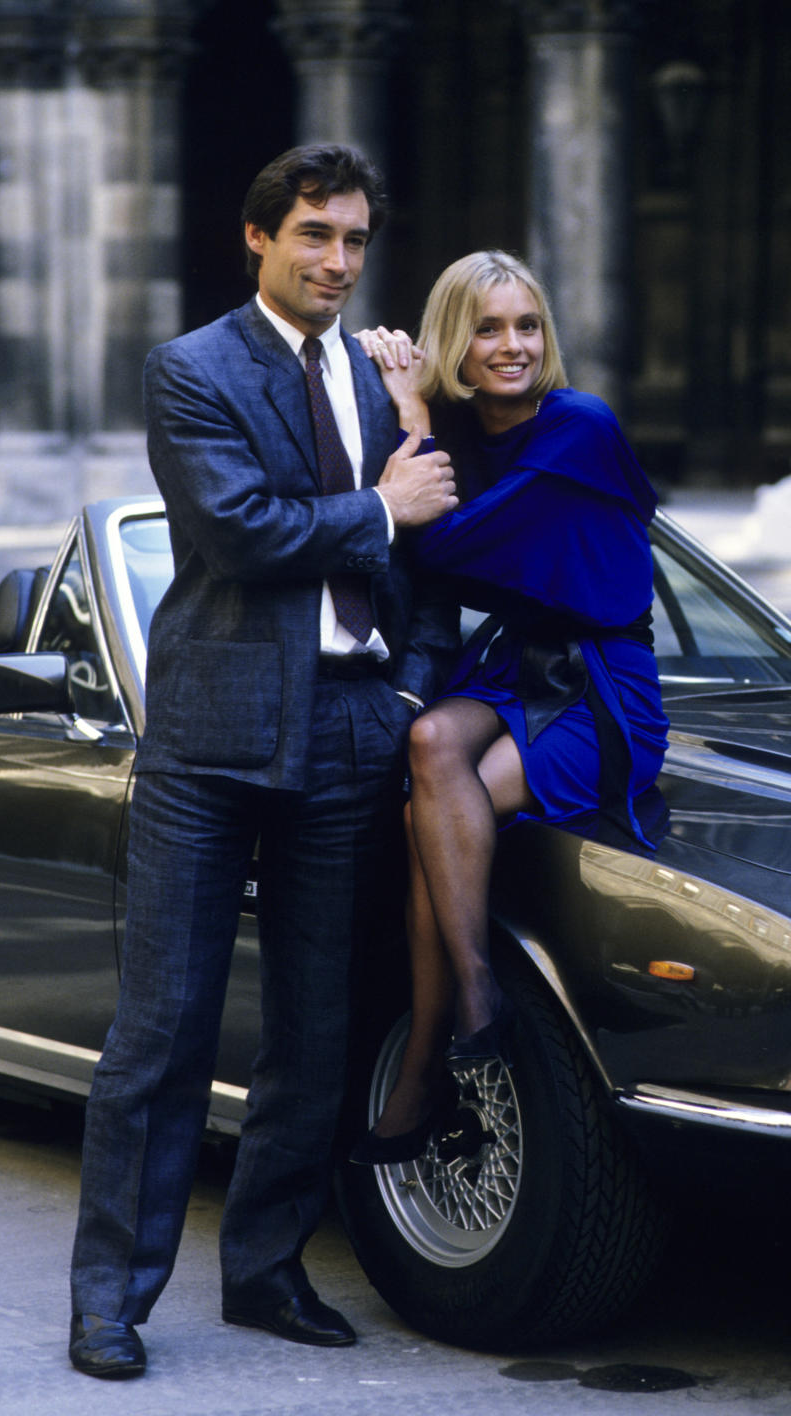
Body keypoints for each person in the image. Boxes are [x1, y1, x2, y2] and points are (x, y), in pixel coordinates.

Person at [67, 144, 460, 1379]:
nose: (338, 262)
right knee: (164, 1028)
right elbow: (238, 532)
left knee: (317, 1023)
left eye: (353, 240)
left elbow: (436, 551)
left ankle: (268, 1272)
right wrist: (378, 511)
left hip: (352, 724)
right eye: (314, 237)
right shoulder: (189, 369)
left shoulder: (384, 378)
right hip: (210, 736)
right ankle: (109, 1300)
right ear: (259, 239)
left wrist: (408, 689)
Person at [350, 249, 669, 1165]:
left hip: (604, 683)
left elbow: (443, 540)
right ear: (458, 337)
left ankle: (427, 1049)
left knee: (431, 813)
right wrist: (412, 403)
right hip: (516, 664)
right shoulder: (468, 431)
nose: (513, 345)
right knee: (428, 739)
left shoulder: (580, 427)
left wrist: (411, 412)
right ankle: (475, 990)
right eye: (488, 327)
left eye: (527, 325)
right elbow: (416, 538)